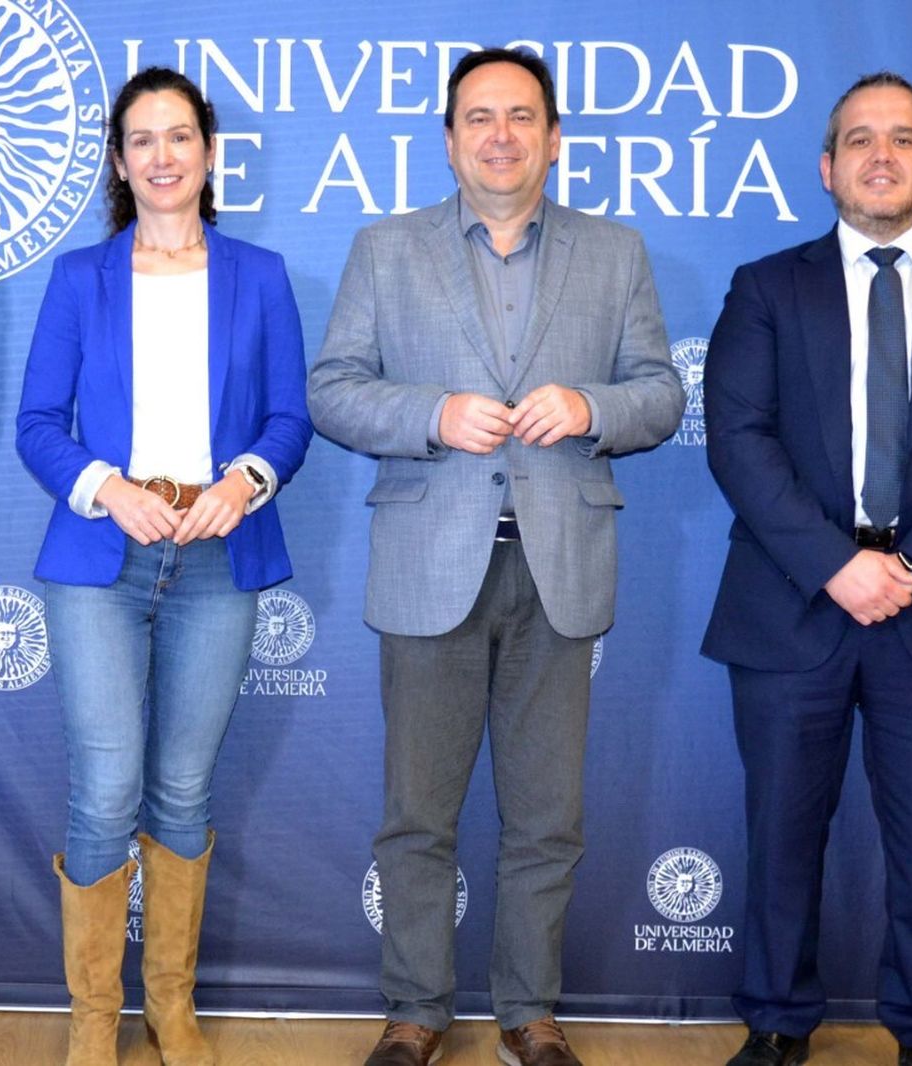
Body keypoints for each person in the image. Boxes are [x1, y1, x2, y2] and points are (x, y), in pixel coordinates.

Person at [308, 47, 682, 1066]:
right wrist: (430, 412)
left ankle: (531, 1011)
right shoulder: (385, 250)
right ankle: (415, 1010)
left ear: (554, 138)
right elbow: (332, 389)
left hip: (558, 570)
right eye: (480, 117)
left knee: (546, 819)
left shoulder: (615, 253)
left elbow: (661, 392)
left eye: (522, 116)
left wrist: (591, 406)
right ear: (449, 138)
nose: (501, 135)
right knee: (416, 817)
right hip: (430, 567)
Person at [703, 72, 912, 1066]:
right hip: (789, 606)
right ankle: (774, 1023)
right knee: (779, 838)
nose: (880, 154)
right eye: (858, 139)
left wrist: (911, 563)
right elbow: (738, 440)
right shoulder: (766, 287)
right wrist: (834, 566)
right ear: (826, 168)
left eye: (901, 138)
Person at [15, 66, 311, 1066]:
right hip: (100, 556)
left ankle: (168, 1007)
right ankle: (94, 1018)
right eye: (140, 139)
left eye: (178, 135)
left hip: (219, 555)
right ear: (118, 160)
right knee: (105, 787)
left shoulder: (261, 276)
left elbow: (289, 417)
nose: (162, 155)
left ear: (209, 151)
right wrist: (108, 486)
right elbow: (36, 426)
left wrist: (247, 480)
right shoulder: (76, 279)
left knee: (182, 788)